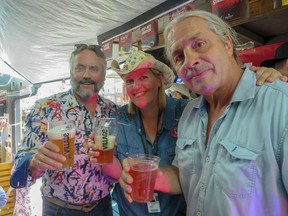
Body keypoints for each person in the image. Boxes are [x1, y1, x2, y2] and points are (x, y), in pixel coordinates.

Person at [119, 10, 288, 216]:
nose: (190, 61)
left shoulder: (280, 104)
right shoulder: (190, 112)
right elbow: (185, 175)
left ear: (227, 44)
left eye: (199, 44)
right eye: (179, 57)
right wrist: (149, 175)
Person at [10, 44, 121, 216]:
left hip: (103, 207)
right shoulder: (45, 107)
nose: (86, 75)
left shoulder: (113, 111)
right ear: (71, 72)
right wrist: (34, 162)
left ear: (103, 74)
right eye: (80, 68)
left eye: (94, 69)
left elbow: (119, 161)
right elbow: (21, 160)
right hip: (58, 209)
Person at [110, 50, 188, 216]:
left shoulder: (184, 113)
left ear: (159, 80)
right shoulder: (119, 118)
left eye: (143, 77)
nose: (136, 87)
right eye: (130, 81)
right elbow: (114, 169)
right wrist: (104, 158)